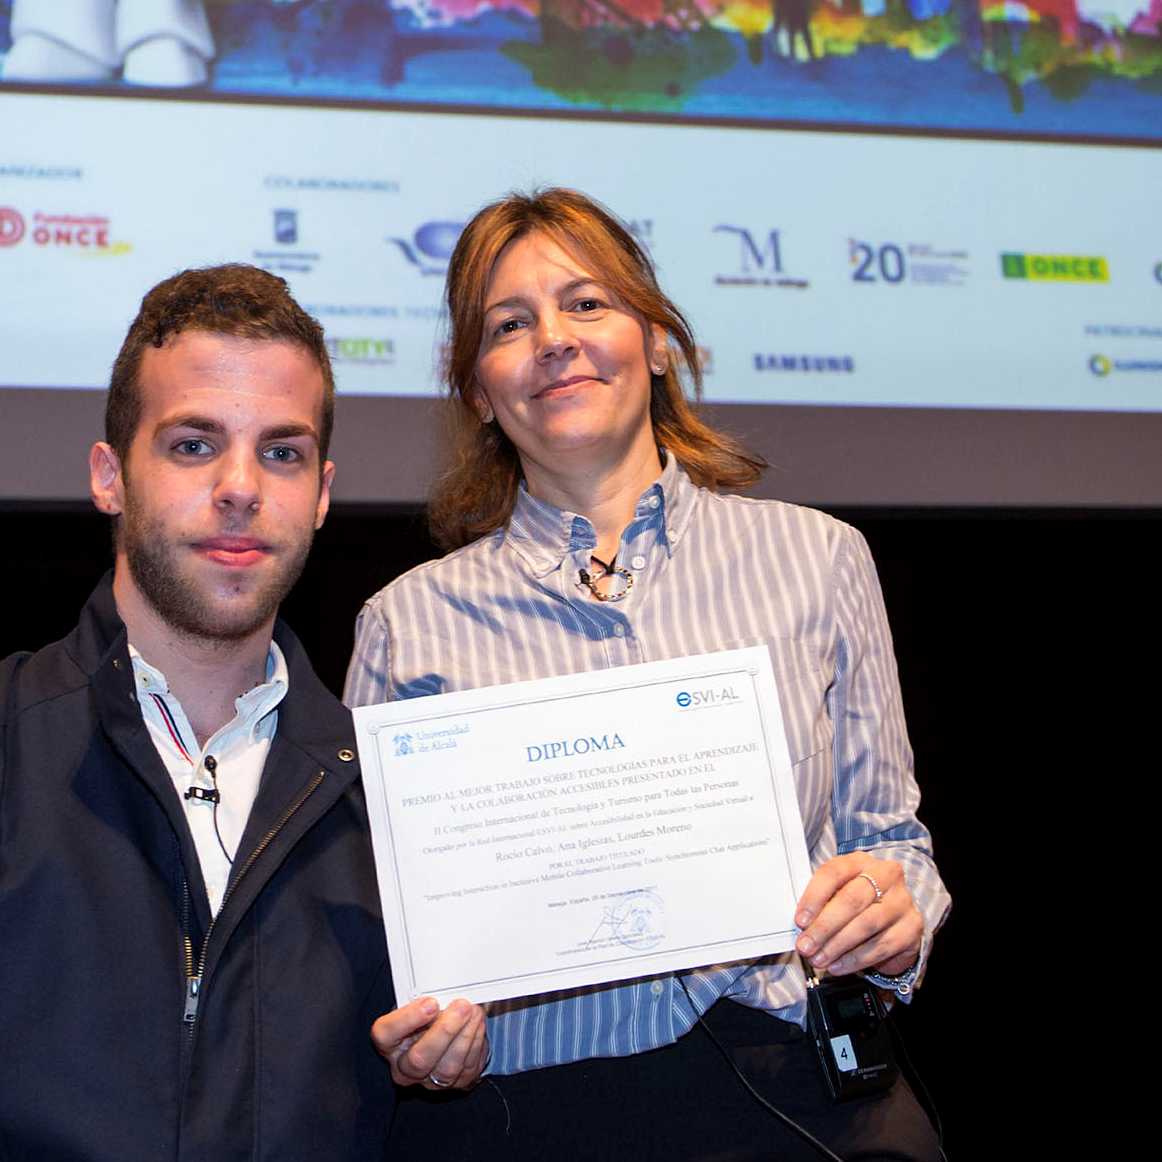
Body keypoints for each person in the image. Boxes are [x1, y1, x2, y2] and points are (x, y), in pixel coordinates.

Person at [346, 190, 950, 1160]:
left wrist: (889, 917)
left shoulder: (817, 558)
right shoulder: (405, 622)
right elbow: (388, 938)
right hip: (522, 1107)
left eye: (587, 303)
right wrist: (419, 1032)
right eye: (509, 323)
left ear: (658, 341)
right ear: (475, 388)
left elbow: (893, 841)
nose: (553, 339)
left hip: (791, 1084)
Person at [0, 265, 482, 1160]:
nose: (241, 486)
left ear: (323, 493)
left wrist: (444, 1052)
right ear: (109, 476)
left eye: (282, 451)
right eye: (194, 444)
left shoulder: (393, 796)